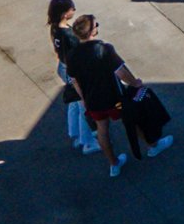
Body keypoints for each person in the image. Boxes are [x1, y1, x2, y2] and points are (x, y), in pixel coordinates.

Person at [67, 14, 170, 175]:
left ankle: (113, 164)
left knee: (102, 130)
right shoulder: (104, 49)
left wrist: (84, 99)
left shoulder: (72, 55)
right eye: (96, 25)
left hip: (93, 101)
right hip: (114, 98)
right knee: (133, 121)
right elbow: (120, 72)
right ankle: (152, 146)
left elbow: (74, 81)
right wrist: (135, 83)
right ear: (92, 31)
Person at [49, 0, 97, 154]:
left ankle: (75, 133)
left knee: (74, 103)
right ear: (65, 14)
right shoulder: (69, 34)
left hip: (63, 67)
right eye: (72, 9)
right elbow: (80, 54)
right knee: (84, 106)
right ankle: (87, 142)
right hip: (73, 71)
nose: (74, 11)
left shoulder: (55, 28)